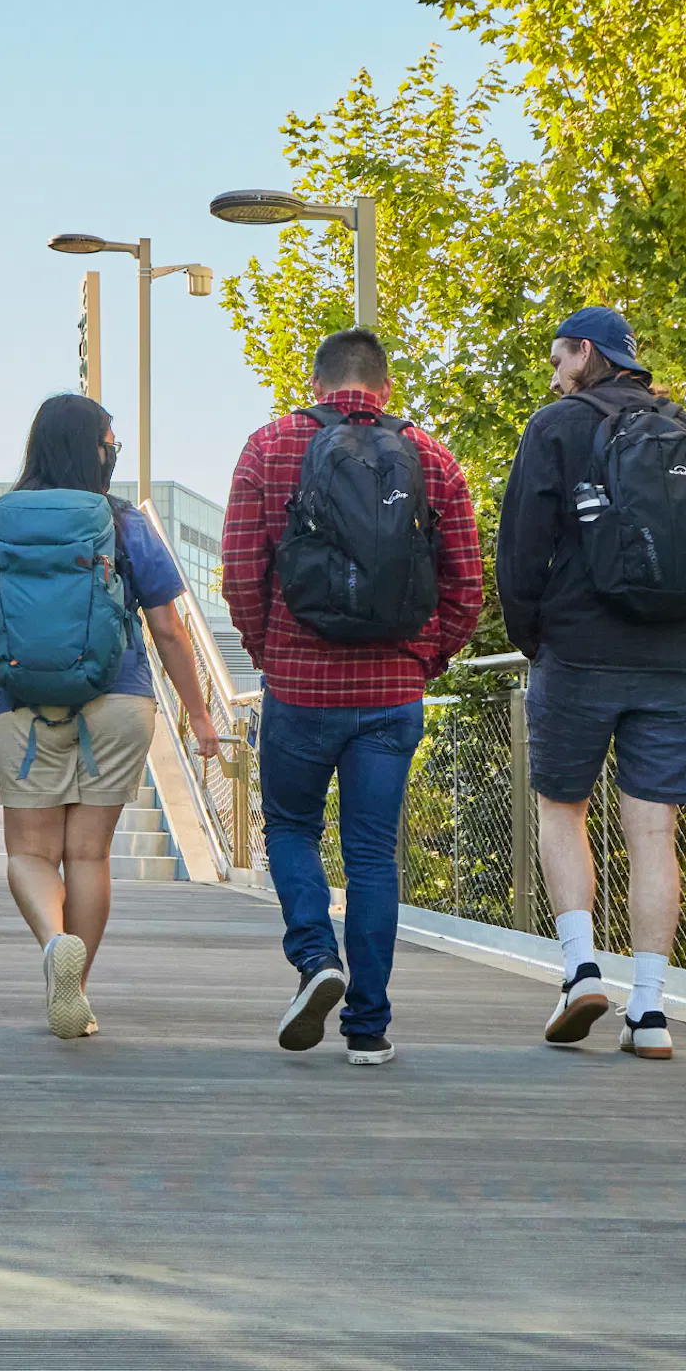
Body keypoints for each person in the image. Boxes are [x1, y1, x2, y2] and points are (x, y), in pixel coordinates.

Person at [494, 305, 686, 1059]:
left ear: (585, 352)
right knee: (654, 834)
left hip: (577, 654)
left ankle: (580, 969)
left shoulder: (557, 427)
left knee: (561, 809)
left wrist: (536, 641)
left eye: (558, 357)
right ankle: (650, 1011)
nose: (554, 373)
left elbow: (519, 553)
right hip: (678, 665)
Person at [219, 326, 483, 1066]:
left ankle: (315, 959)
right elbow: (466, 586)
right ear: (386, 387)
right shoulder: (432, 457)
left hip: (300, 686)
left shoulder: (269, 448)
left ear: (314, 384)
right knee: (371, 856)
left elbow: (241, 572)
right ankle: (368, 1029)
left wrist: (269, 652)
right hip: (391, 690)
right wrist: (424, 660)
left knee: (291, 830)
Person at [0, 392, 222, 1039]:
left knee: (29, 852)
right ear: (95, 450)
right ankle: (77, 986)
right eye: (111, 440)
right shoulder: (125, 523)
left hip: (21, 702)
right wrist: (200, 717)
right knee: (89, 856)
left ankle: (54, 946)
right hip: (118, 697)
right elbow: (167, 628)